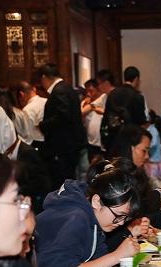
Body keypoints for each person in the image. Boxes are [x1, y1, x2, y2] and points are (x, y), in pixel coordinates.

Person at [35, 163, 141, 267]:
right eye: (118, 215)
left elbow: (98, 265)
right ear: (97, 202)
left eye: (125, 218)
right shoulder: (75, 218)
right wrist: (117, 256)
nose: (121, 223)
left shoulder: (92, 217)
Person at [37, 64, 86, 192]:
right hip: (70, 145)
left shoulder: (59, 90)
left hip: (63, 146)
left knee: (62, 182)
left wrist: (44, 124)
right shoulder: (67, 87)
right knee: (68, 180)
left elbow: (63, 116)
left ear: (44, 77)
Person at [101, 66, 148, 153]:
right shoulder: (137, 96)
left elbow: (105, 118)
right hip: (131, 139)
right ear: (136, 79)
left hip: (113, 138)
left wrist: (104, 139)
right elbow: (141, 121)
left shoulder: (112, 94)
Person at [81, 78, 106, 163]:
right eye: (87, 91)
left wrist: (92, 106)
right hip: (90, 141)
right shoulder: (85, 103)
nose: (88, 94)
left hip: (102, 142)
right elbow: (80, 115)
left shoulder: (103, 98)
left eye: (91, 91)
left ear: (98, 89)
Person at [15, 81, 46, 147]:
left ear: (21, 94)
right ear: (34, 89)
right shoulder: (47, 101)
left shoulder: (27, 110)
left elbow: (27, 136)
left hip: (38, 146)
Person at [145, 110, 161, 183]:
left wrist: (145, 147)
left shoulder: (153, 130)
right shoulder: (150, 129)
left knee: (155, 181)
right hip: (152, 160)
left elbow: (153, 143)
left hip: (154, 159)